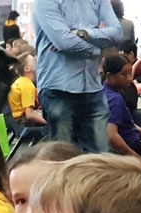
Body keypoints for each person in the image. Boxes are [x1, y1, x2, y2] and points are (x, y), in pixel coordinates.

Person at [34, 0, 121, 153]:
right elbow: (65, 42)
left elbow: (117, 34)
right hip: (58, 88)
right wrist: (99, 49)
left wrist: (83, 33)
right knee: (63, 158)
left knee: (101, 158)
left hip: (93, 88)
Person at [8, 53, 47, 126]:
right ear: (27, 69)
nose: (36, 61)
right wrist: (50, 124)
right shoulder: (27, 85)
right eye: (33, 60)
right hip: (23, 121)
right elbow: (29, 115)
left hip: (15, 121)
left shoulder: (20, 81)